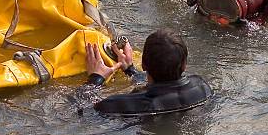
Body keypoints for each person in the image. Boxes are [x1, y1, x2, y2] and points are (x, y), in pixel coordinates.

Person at [83, 29, 213, 116]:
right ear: (184, 65)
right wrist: (130, 70)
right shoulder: (202, 87)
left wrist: (95, 79)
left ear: (144, 64)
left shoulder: (118, 104)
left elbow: (83, 112)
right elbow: (164, 89)